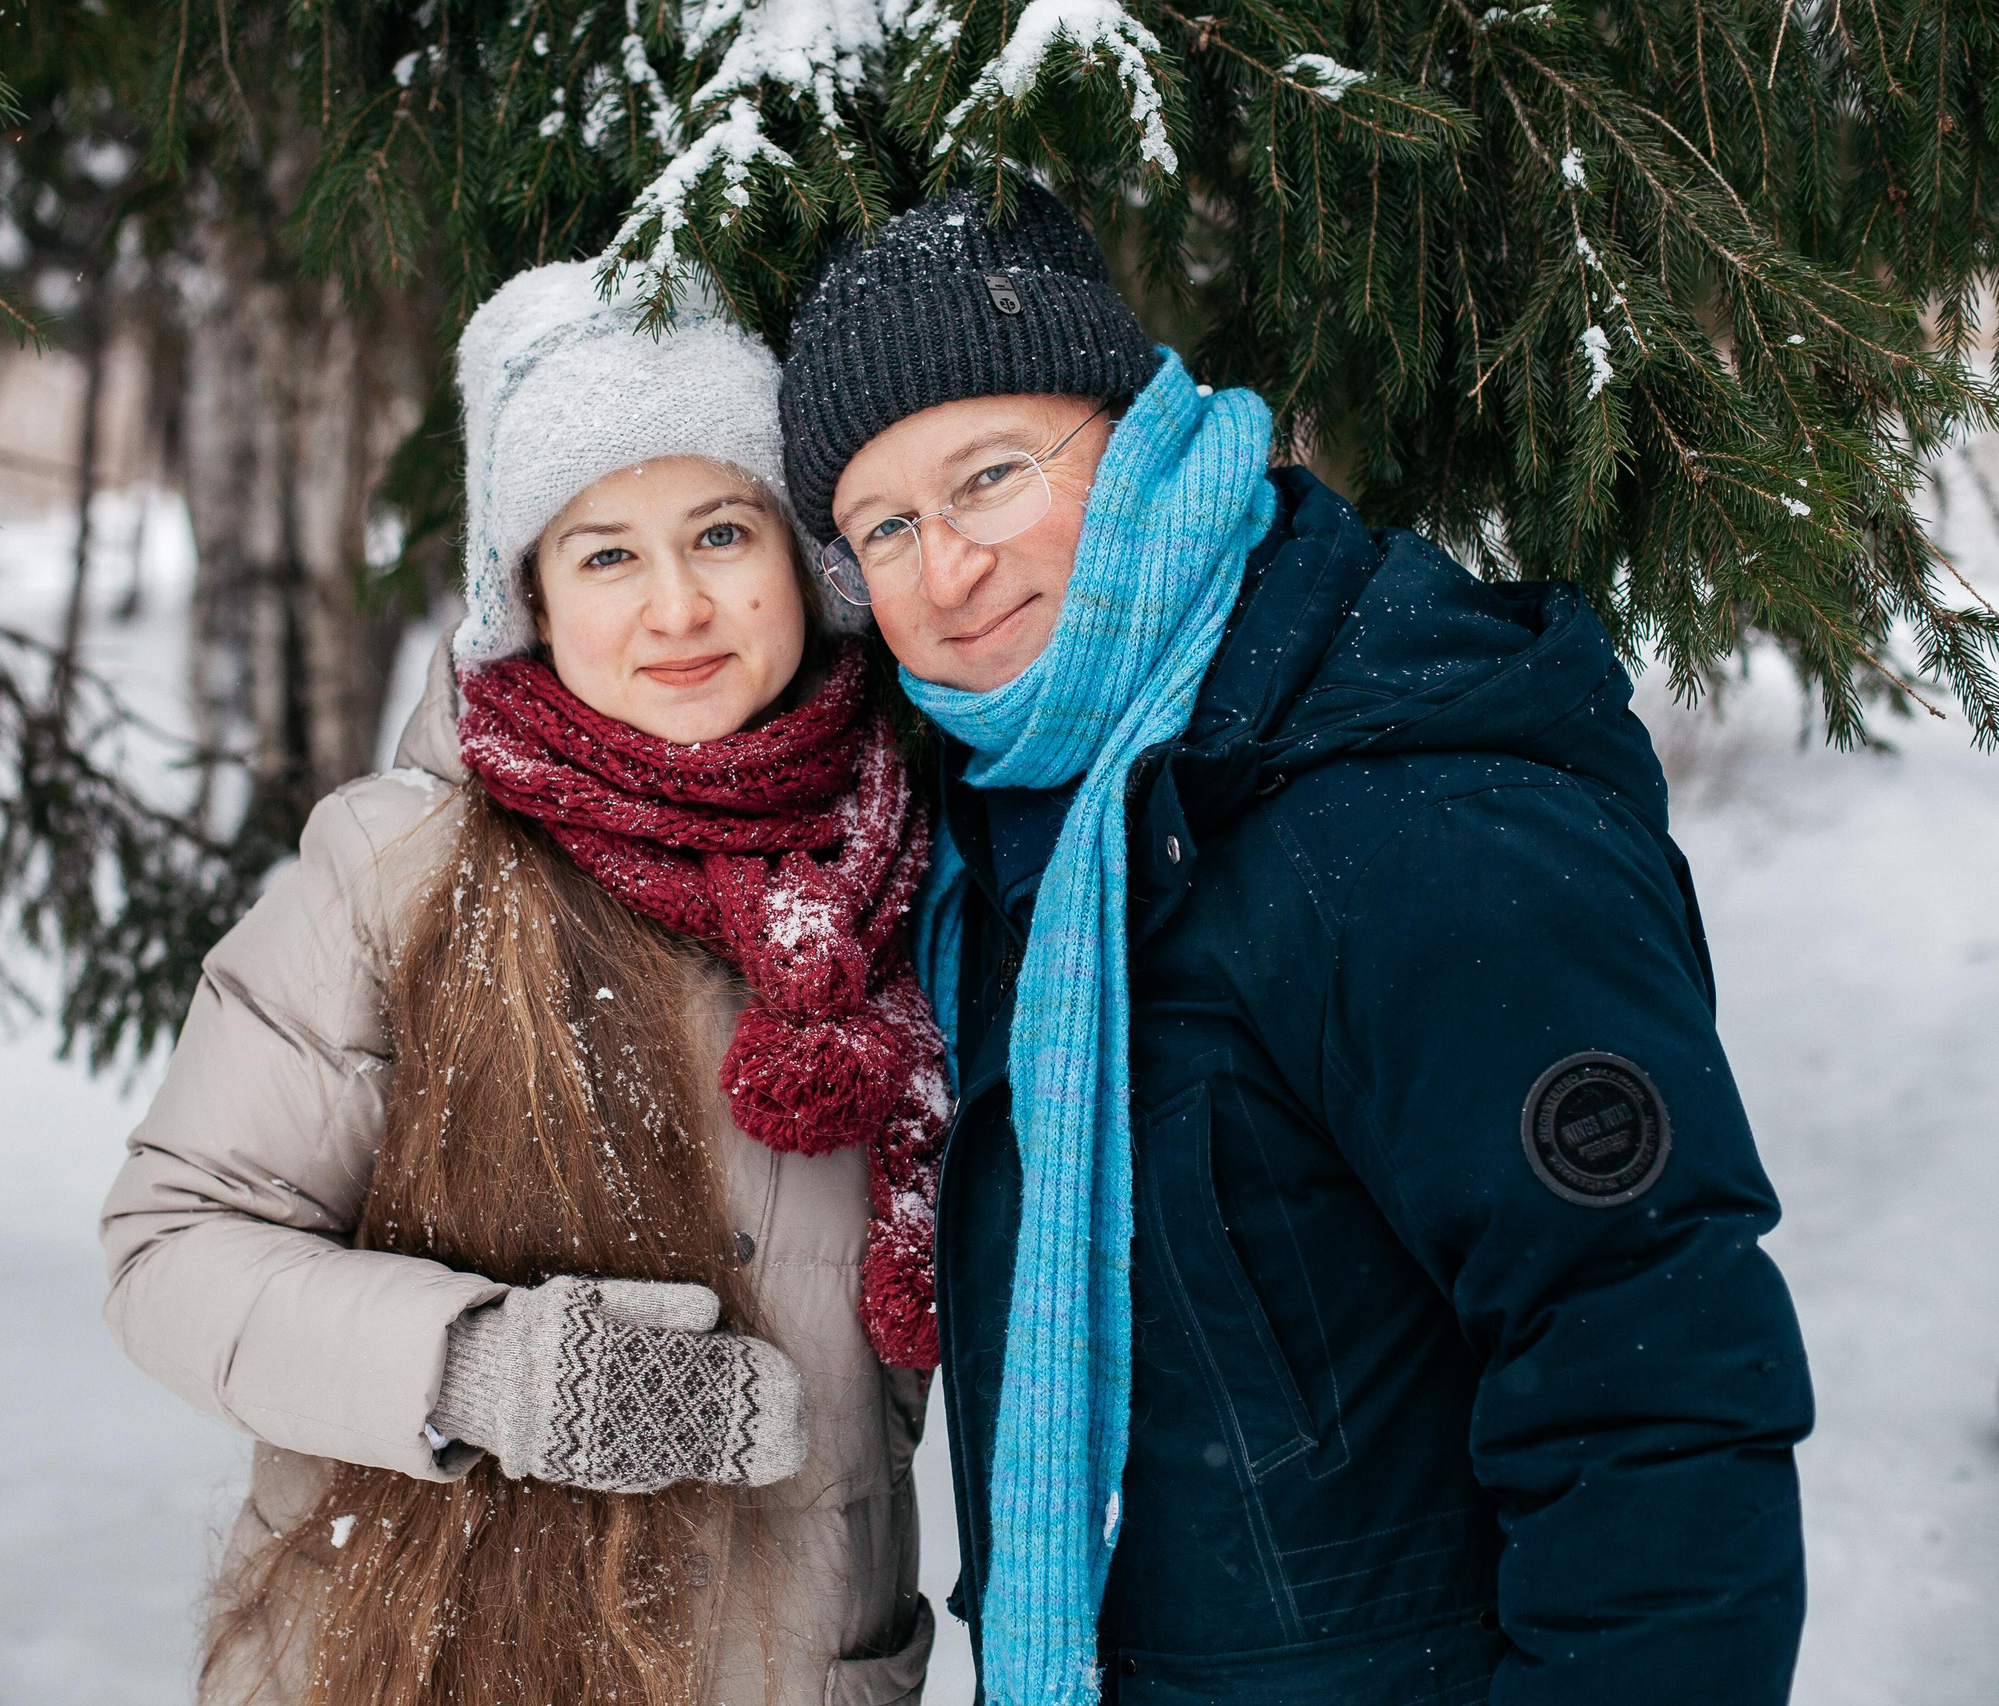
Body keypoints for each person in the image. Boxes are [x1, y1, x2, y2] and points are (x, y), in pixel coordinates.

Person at [774, 183, 1816, 1705]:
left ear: (1136, 432)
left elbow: (1652, 1390)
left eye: (990, 477)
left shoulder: (1404, 816)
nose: (948, 570)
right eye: (886, 526)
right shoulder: (995, 847)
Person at [100, 260, 943, 1706]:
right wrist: (483, 1372)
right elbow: (168, 1249)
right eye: (606, 555)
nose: (678, 605)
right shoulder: (399, 871)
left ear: (800, 562)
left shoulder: (907, 872)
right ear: (532, 601)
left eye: (722, 532)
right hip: (429, 1659)